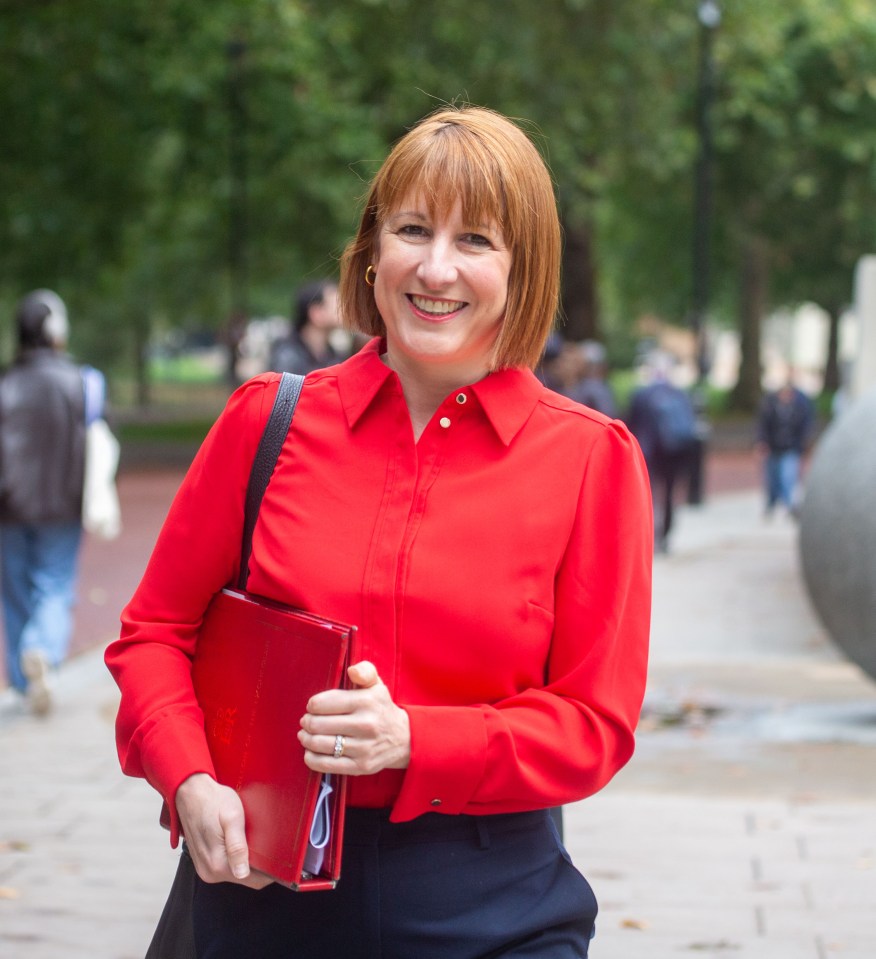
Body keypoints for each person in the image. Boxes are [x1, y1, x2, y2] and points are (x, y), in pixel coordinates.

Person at [106, 106, 652, 957]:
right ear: (372, 250)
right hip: (262, 893)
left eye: (477, 240)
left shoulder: (591, 460)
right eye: (412, 229)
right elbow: (153, 635)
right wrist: (190, 779)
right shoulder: (268, 422)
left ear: (525, 267)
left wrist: (415, 740)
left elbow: (594, 722)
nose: (436, 267)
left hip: (490, 902)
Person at [0, 289, 106, 715]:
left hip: (8, 508)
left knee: (15, 591)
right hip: (63, 504)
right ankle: (42, 648)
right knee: (54, 586)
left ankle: (24, 681)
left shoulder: (5, 383)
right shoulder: (81, 381)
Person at [627, 351, 698, 553]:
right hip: (673, 451)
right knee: (668, 494)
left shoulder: (641, 394)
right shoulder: (679, 394)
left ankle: (649, 533)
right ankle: (665, 534)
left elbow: (631, 423)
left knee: (646, 494)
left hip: (647, 451)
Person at [755, 370, 816, 518]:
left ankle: (789, 505)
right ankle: (771, 503)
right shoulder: (770, 405)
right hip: (774, 447)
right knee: (773, 477)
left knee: (788, 476)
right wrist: (762, 442)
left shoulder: (799, 407)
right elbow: (763, 425)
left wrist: (802, 442)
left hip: (791, 447)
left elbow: (805, 426)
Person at [268, 280, 344, 375]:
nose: (345, 309)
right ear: (316, 313)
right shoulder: (288, 356)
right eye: (338, 303)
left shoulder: (333, 356)